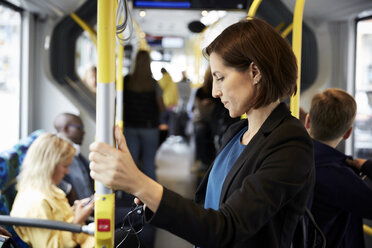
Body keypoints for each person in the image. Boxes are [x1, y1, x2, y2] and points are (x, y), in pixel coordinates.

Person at [89, 18, 315, 247]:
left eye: (220, 78)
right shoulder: (237, 133)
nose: (215, 92)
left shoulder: (290, 143)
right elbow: (209, 207)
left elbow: (226, 228)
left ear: (255, 72)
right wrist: (152, 198)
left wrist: (137, 182)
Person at [305, 88, 372, 248]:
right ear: (348, 132)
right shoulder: (339, 175)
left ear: (307, 121)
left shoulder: (292, 158)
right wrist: (368, 167)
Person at [10, 133, 94, 248]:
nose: (67, 172)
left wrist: (75, 211)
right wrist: (78, 221)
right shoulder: (34, 204)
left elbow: (58, 222)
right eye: (65, 166)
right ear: (48, 165)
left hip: (86, 240)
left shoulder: (50, 190)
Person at [54, 113, 94, 201]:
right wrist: (68, 189)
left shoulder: (77, 154)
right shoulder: (54, 151)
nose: (83, 132)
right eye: (80, 128)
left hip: (89, 205)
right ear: (66, 128)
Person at [158, 67, 179, 138]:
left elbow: (159, 92)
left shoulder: (162, 80)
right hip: (173, 105)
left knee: (163, 123)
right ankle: (171, 137)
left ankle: (163, 138)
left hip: (165, 105)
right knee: (171, 124)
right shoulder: (172, 80)